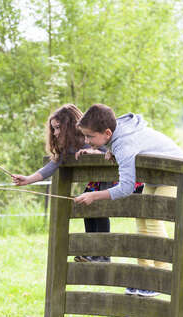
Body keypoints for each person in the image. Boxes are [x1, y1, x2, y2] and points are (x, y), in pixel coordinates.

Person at [74, 104, 183, 297]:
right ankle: (145, 277)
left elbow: (126, 186)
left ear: (107, 132)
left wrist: (94, 195)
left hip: (178, 174)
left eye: (90, 136)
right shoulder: (118, 134)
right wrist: (109, 149)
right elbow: (121, 145)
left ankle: (158, 277)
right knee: (142, 219)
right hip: (158, 175)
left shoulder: (123, 143)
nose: (86, 141)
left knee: (152, 220)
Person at [12, 104, 111, 263]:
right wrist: (28, 179)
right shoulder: (68, 147)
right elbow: (52, 165)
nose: (56, 133)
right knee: (88, 211)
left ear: (70, 126)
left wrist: (94, 152)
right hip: (97, 183)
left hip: (114, 180)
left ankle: (103, 255)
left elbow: (109, 152)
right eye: (53, 129)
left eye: (58, 128)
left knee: (99, 212)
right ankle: (91, 252)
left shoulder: (89, 137)